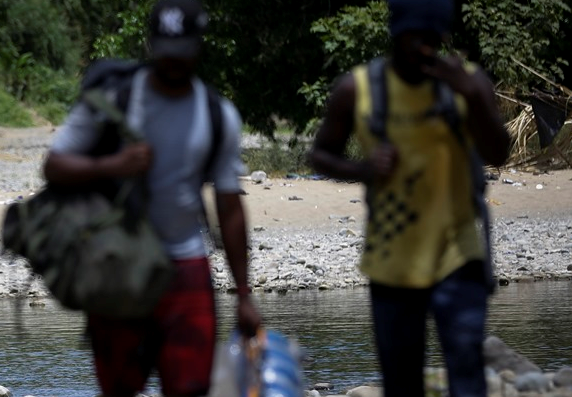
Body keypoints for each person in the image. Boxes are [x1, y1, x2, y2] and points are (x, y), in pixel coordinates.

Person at [43, 0, 261, 396]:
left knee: (191, 388)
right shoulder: (113, 99)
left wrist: (244, 295)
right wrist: (113, 165)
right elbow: (54, 166)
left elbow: (229, 206)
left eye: (182, 53)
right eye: (165, 52)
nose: (173, 63)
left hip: (187, 267)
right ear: (149, 46)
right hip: (116, 271)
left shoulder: (218, 114)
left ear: (198, 48)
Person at [308, 0, 511, 396]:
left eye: (431, 39)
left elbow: (499, 152)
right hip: (391, 262)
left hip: (459, 254)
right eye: (413, 39)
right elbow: (319, 155)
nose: (422, 49)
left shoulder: (468, 83)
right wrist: (364, 169)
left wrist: (472, 96)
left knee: (467, 371)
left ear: (443, 37)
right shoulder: (359, 88)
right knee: (401, 381)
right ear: (395, 35)